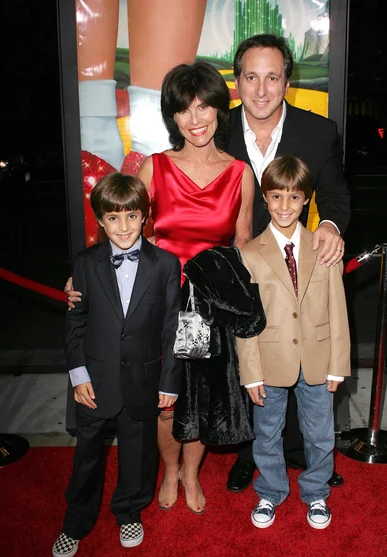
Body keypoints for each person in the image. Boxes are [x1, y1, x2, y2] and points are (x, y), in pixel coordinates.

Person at [225, 34, 351, 493]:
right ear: (237, 81)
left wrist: (332, 225)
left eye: (272, 77)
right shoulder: (213, 133)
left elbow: (336, 194)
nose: (261, 89)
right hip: (239, 270)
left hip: (296, 266)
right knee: (247, 365)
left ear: (287, 81)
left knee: (301, 355)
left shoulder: (318, 133)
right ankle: (247, 459)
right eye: (251, 77)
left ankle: (305, 455)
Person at [137, 61, 254, 514]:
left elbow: (241, 244)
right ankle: (169, 470)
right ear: (173, 116)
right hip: (161, 302)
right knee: (166, 401)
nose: (196, 118)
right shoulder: (155, 168)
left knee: (199, 399)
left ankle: (191, 472)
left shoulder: (239, 173)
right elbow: (132, 238)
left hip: (206, 307)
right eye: (184, 109)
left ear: (219, 110)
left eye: (204, 106)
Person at [52, 173, 182, 557]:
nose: (123, 227)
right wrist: (78, 375)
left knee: (138, 454)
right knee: (86, 456)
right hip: (94, 381)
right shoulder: (86, 264)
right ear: (100, 221)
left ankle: (129, 510)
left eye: (131, 217)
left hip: (143, 380)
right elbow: (75, 324)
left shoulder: (165, 265)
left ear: (145, 217)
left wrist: (169, 380)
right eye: (113, 218)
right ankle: (75, 522)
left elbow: (171, 326)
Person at [236, 155, 350, 530]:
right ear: (265, 200)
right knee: (266, 433)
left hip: (318, 360)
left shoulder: (324, 248)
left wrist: (338, 364)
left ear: (307, 200)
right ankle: (270, 490)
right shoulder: (250, 253)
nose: (285, 206)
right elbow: (246, 319)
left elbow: (337, 308)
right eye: (276, 197)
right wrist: (250, 374)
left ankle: (316, 490)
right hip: (270, 362)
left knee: (319, 434)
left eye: (294, 197)